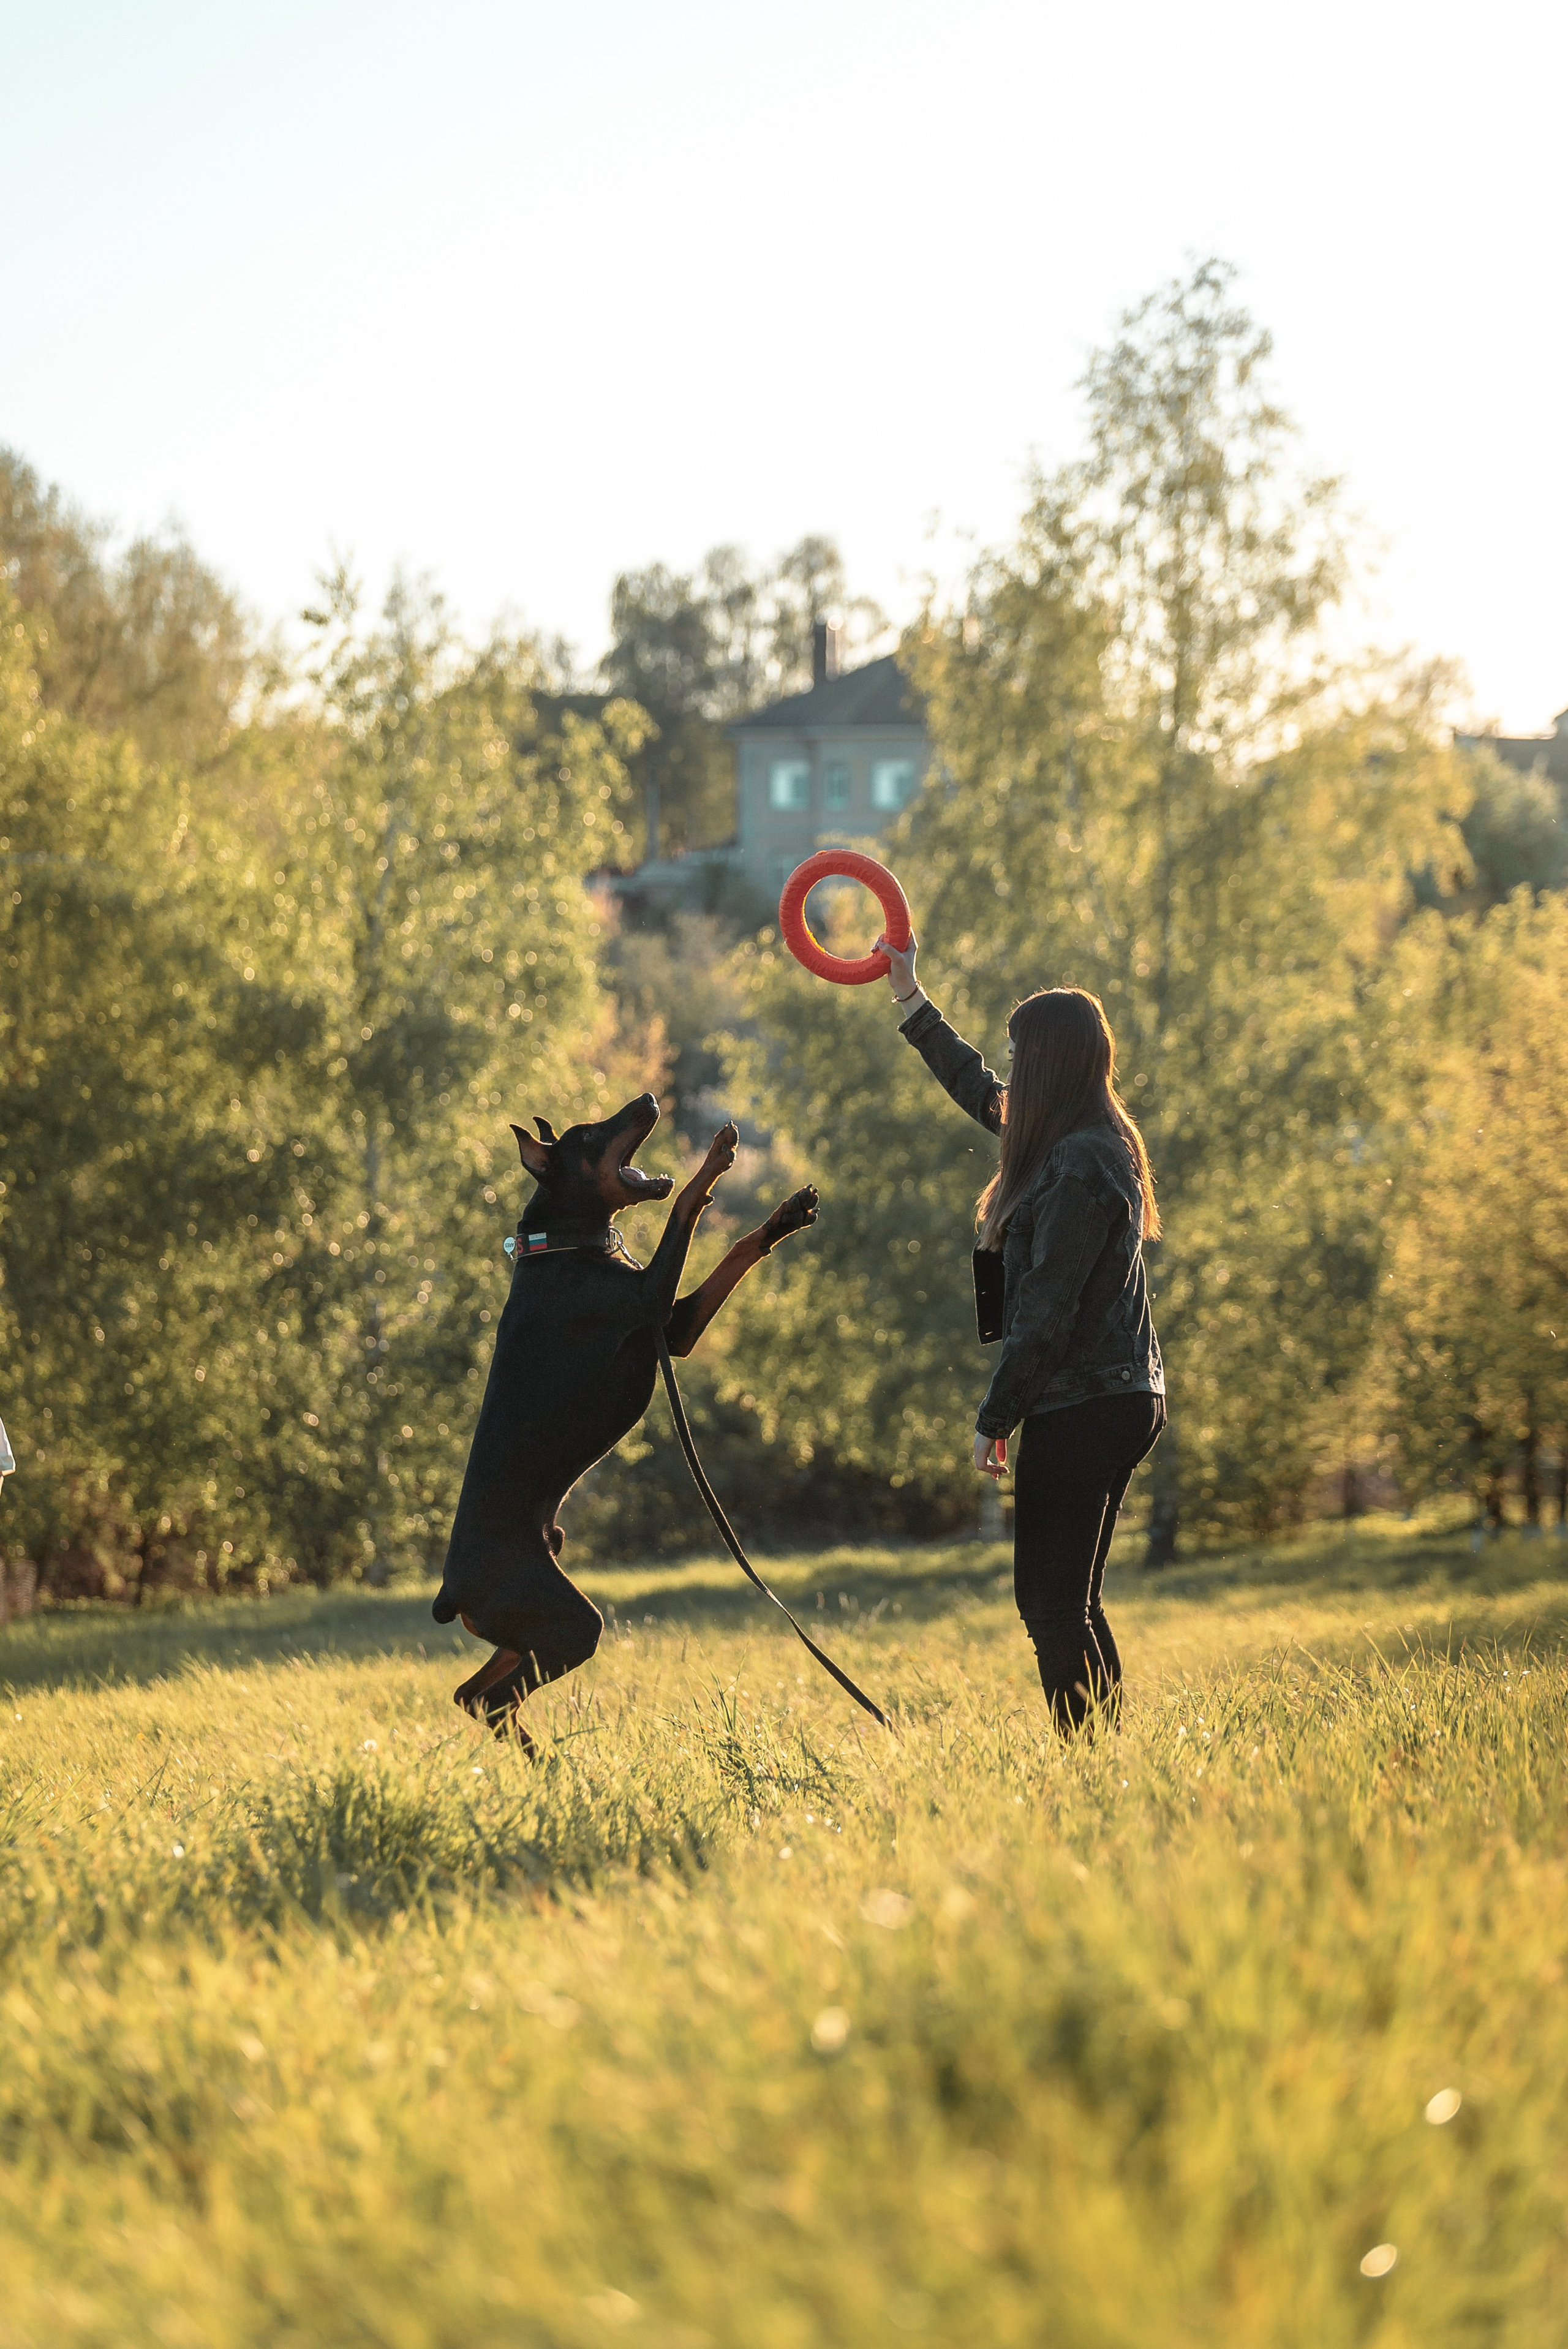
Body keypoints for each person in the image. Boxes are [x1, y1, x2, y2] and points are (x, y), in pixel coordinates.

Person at [877, 933, 1165, 1733]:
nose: (1009, 1065)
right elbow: (979, 1089)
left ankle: (1088, 1769)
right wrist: (911, 1001)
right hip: (1116, 1395)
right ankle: (1103, 1760)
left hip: (1086, 1403)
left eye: (1018, 1052)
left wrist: (994, 1417)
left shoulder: (1079, 1163)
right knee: (1069, 1601)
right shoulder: (1075, 1140)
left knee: (1047, 1604)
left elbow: (1044, 1314)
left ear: (1048, 1063)